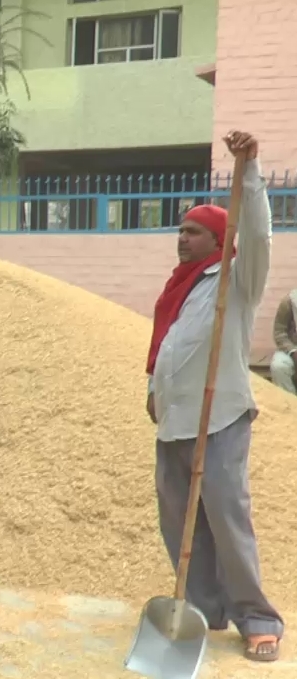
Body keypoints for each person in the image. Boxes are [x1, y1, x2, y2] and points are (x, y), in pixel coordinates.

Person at [145, 130, 283, 662]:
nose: (183, 239)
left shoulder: (235, 280)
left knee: (227, 517)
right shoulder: (178, 288)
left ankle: (257, 618)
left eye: (195, 232)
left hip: (219, 419)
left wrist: (247, 170)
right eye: (180, 231)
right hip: (173, 423)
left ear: (219, 241)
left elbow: (259, 236)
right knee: (178, 523)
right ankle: (203, 610)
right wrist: (153, 389)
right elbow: (171, 348)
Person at [269, 291, 297, 394]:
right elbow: (279, 332)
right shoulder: (290, 300)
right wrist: (293, 352)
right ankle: (290, 406)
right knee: (279, 367)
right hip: (292, 347)